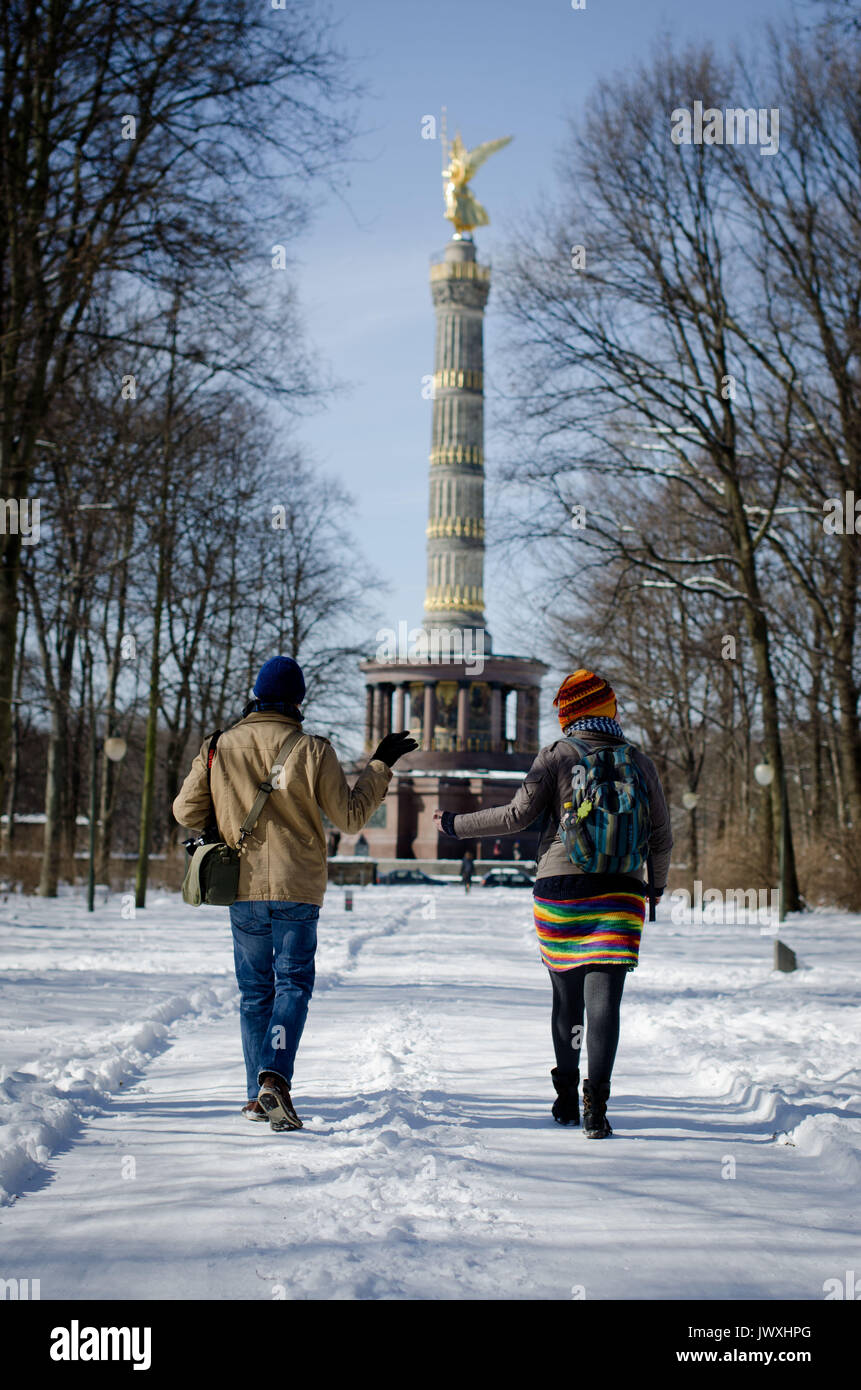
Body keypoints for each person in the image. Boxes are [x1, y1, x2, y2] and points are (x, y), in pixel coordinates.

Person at [173, 656, 417, 1131]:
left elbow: (185, 810)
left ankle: (256, 1092)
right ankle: (274, 1080)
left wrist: (222, 817)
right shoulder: (313, 749)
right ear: (297, 701)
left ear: (257, 696)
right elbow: (349, 818)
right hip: (297, 888)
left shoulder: (218, 746)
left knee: (254, 992)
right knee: (292, 985)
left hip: (240, 886)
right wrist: (380, 764)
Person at [434, 668, 671, 1139]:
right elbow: (662, 839)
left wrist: (456, 824)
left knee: (567, 1001)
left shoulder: (557, 756)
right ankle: (596, 1107)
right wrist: (654, 888)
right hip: (622, 892)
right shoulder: (639, 762)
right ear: (609, 710)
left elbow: (516, 815)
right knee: (605, 1003)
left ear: (569, 712)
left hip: (562, 887)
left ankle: (565, 1097)